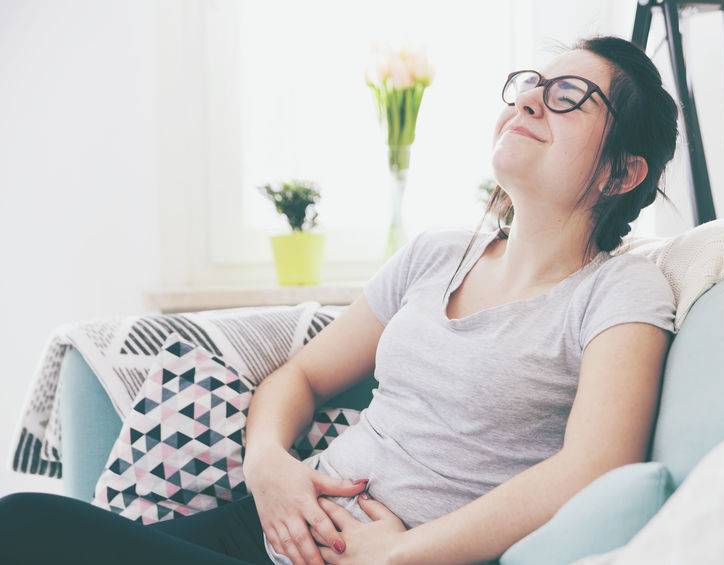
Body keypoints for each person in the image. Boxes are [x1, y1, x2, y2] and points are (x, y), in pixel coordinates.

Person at [0, 34, 680, 565]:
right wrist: (269, 465)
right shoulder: (437, 254)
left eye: (569, 96)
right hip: (269, 524)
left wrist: (400, 553)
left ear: (622, 172)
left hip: (390, 557)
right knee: (23, 524)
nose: (529, 101)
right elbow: (301, 375)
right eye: (531, 84)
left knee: (24, 528)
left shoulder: (621, 290)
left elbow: (595, 466)